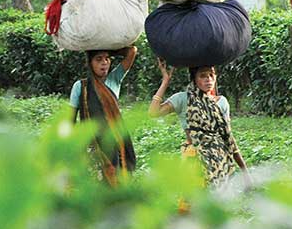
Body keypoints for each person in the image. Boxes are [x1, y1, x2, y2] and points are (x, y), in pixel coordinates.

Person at [149, 59, 248, 188]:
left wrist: (245, 171)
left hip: (219, 159)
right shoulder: (183, 99)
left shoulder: (222, 102)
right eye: (203, 76)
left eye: (211, 75)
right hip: (194, 158)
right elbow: (154, 112)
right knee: (193, 203)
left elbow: (228, 138)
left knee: (216, 203)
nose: (209, 79)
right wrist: (165, 81)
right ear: (194, 79)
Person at [70, 46, 138, 186]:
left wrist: (108, 49)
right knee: (94, 184)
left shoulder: (115, 79)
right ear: (90, 63)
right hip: (91, 144)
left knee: (116, 182)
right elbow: (70, 120)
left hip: (113, 143)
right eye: (98, 59)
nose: (104, 63)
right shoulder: (80, 86)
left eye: (107, 59)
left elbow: (132, 51)